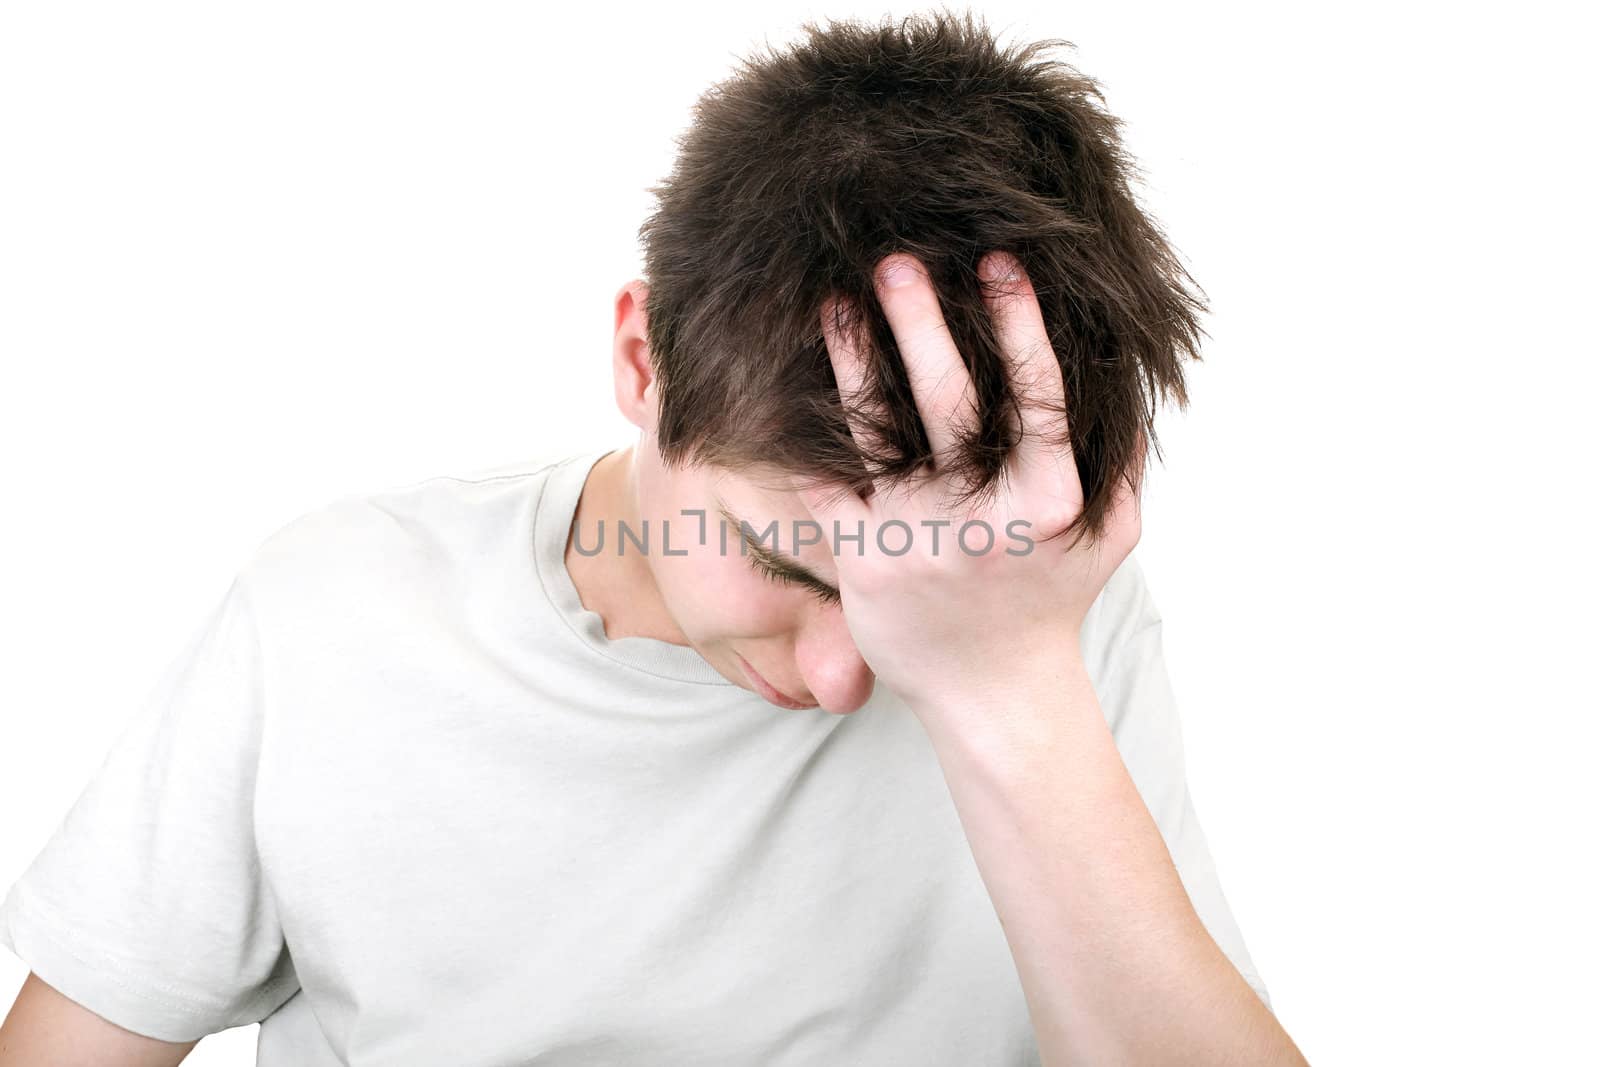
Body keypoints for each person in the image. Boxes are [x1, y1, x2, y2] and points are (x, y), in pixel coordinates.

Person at [0, 11, 1307, 1065]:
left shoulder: (1029, 627)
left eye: (921, 583)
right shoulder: (335, 612)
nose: (849, 674)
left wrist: (1011, 690)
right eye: (796, 565)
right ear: (643, 358)